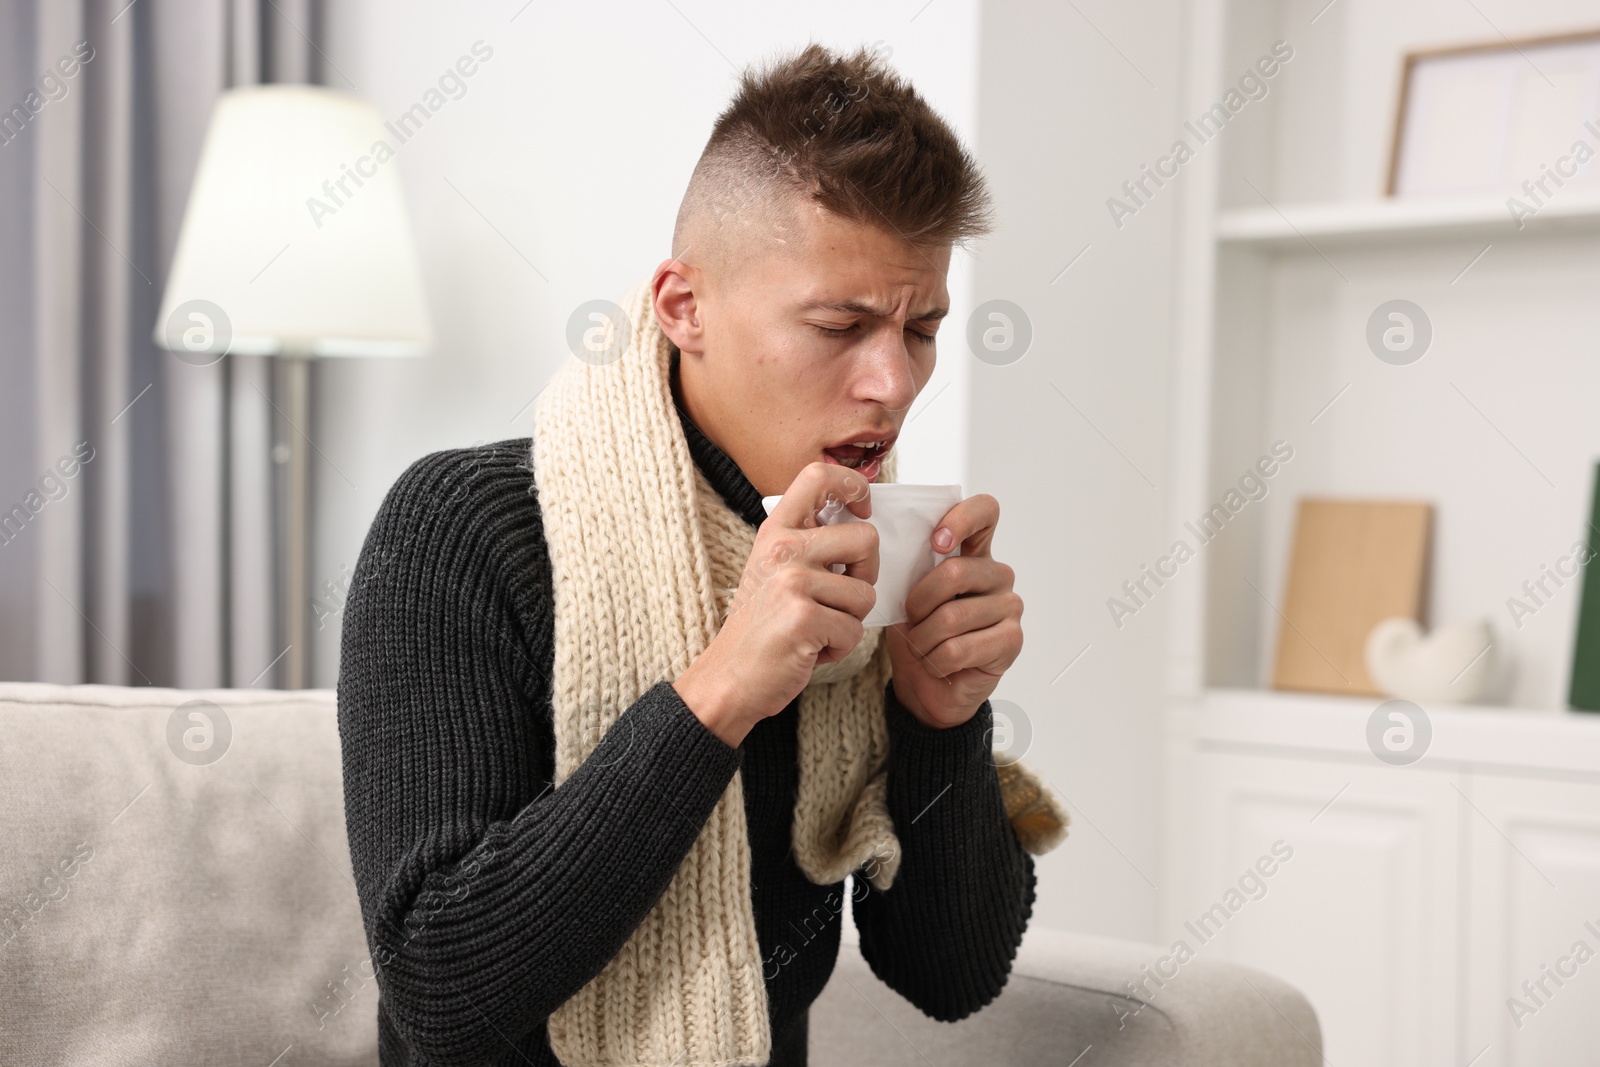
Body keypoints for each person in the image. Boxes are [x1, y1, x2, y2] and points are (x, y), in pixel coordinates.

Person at [337, 42, 1062, 1067]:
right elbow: (442, 989)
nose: (893, 383)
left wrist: (937, 715)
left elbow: (949, 977)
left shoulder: (862, 556)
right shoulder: (459, 526)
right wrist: (723, 686)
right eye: (840, 324)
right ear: (685, 309)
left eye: (924, 328)